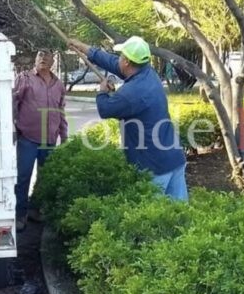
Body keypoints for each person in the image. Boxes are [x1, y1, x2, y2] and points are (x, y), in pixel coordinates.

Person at [68, 36, 188, 200]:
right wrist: (83, 47)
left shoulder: (132, 93)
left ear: (126, 62)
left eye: (121, 56)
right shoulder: (148, 73)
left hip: (153, 167)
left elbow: (105, 109)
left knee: (151, 212)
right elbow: (112, 62)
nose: (118, 59)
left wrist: (102, 92)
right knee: (178, 211)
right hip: (174, 158)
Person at [13, 49, 67, 225]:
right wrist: (13, 127)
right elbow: (13, 103)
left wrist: (64, 136)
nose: (43, 58)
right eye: (39, 55)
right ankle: (20, 214)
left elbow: (61, 111)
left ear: (53, 62)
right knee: (23, 177)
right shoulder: (25, 78)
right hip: (28, 138)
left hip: (49, 140)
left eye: (47, 56)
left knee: (45, 178)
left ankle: (35, 211)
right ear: (35, 60)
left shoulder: (58, 85)